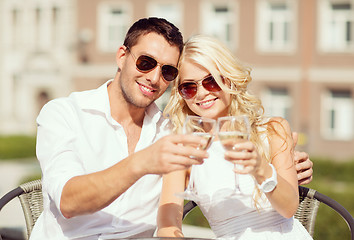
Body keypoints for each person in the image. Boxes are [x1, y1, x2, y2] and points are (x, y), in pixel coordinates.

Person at [31, 17, 312, 239]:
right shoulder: (64, 114)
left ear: (230, 80)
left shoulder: (172, 132)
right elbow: (68, 201)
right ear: (121, 57)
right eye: (145, 62)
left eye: (167, 71)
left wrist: (277, 163)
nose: (154, 77)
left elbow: (282, 191)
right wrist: (143, 162)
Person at [157, 35, 313, 239]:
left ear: (229, 79)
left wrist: (261, 168)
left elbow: (289, 208)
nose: (202, 93)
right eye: (189, 87)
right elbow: (167, 223)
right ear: (181, 94)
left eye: (211, 81)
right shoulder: (185, 148)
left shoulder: (273, 129)